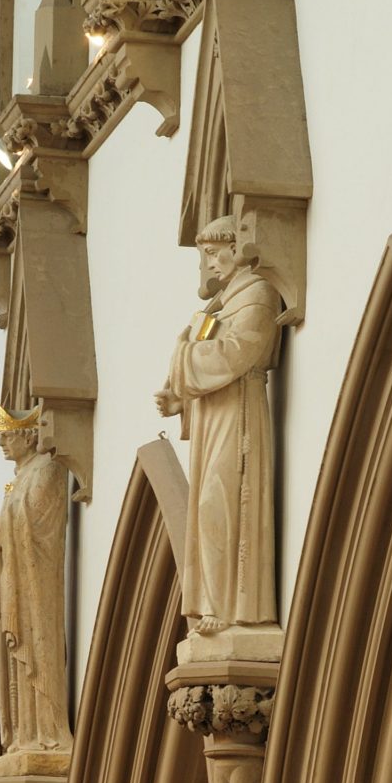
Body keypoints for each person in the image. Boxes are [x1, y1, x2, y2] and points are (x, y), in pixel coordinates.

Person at [155, 215, 280, 635]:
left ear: (236, 248)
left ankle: (230, 606)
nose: (208, 264)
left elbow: (238, 354)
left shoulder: (257, 295)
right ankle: (212, 599)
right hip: (214, 412)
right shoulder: (219, 304)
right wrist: (176, 393)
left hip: (238, 409)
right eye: (204, 256)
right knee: (205, 506)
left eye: (212, 253)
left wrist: (183, 361)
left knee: (219, 501)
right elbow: (204, 355)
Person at [0, 405, 72, 763]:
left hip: (35, 592)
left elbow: (35, 523)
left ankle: (44, 732)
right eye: (0, 438)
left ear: (28, 436)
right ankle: (23, 736)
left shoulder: (47, 471)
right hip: (14, 587)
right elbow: (13, 520)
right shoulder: (20, 477)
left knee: (30, 653)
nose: (1, 445)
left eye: (6, 437)